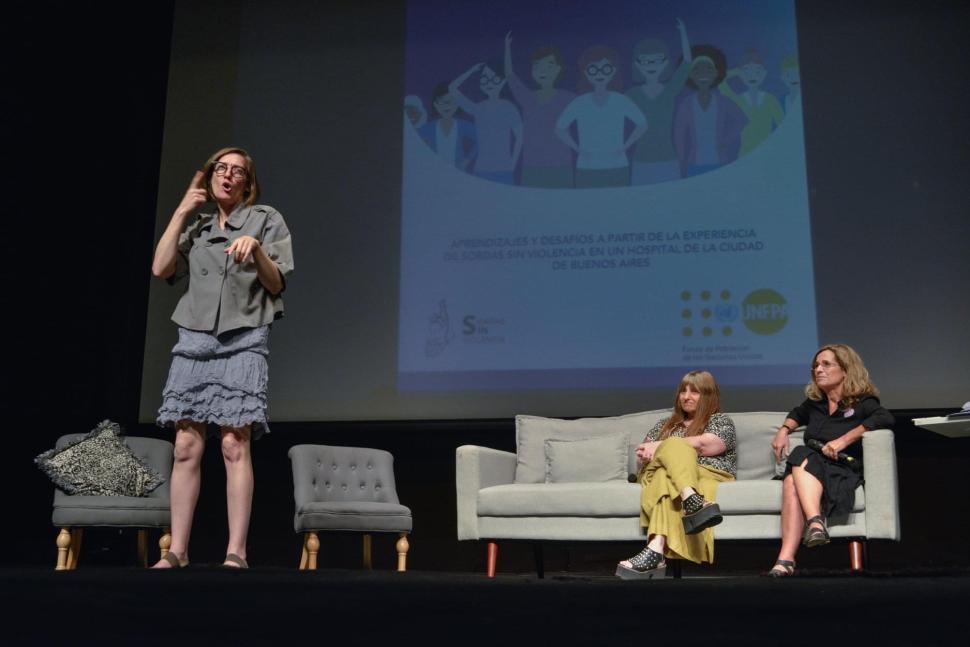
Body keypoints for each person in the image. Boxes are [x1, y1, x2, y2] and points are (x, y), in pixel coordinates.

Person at [150, 147, 294, 569]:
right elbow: (161, 269)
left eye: (237, 172)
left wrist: (257, 250)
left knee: (234, 443)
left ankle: (237, 552)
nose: (227, 176)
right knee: (185, 447)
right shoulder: (196, 226)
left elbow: (277, 284)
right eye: (220, 169)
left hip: (243, 339)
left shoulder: (265, 219)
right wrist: (180, 210)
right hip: (194, 343)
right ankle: (177, 551)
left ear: (247, 183)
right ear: (210, 177)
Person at [766, 344, 893, 577]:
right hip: (810, 467)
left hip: (841, 468)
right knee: (793, 477)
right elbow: (797, 414)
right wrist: (784, 430)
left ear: (845, 370)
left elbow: (884, 417)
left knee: (798, 462)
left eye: (826, 364)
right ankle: (793, 550)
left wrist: (844, 439)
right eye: (815, 365)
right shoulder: (816, 403)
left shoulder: (862, 402)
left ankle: (796, 547)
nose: (818, 370)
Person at [616, 370, 737, 579]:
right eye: (683, 391)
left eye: (694, 392)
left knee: (667, 470)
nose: (686, 396)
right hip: (658, 474)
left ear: (708, 395)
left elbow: (705, 445)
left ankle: (655, 549)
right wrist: (647, 455)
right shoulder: (665, 425)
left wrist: (662, 446)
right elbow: (643, 453)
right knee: (665, 469)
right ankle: (691, 498)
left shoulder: (720, 421)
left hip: (705, 473)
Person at [556, 45, 647, 188]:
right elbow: (560, 129)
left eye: (606, 69)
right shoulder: (580, 102)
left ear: (613, 71)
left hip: (617, 166)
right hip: (586, 168)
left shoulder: (621, 100)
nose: (600, 74)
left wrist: (625, 146)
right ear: (585, 72)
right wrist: (578, 149)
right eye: (593, 69)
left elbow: (642, 124)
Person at [503, 31, 575, 188]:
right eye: (537, 66)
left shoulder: (568, 98)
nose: (542, 71)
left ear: (558, 69)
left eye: (548, 66)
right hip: (532, 166)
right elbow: (510, 75)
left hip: (561, 167)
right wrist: (507, 48)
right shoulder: (527, 98)